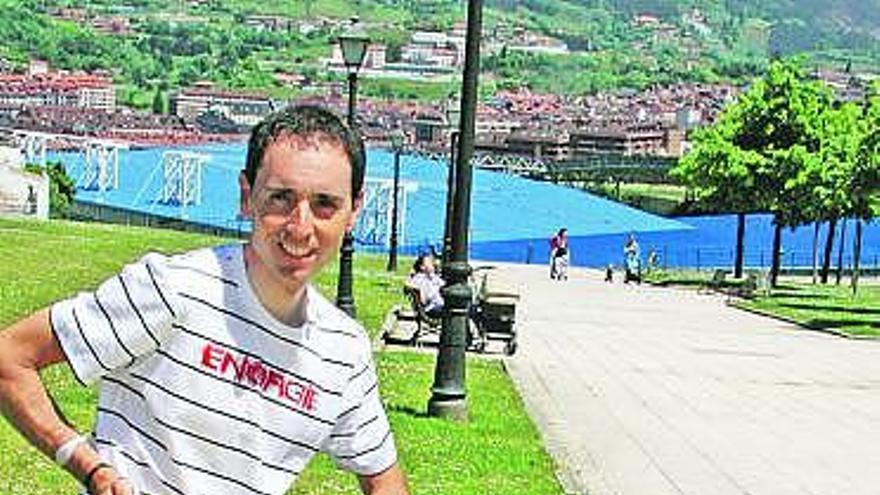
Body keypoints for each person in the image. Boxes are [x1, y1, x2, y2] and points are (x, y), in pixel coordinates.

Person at [0, 106, 409, 495]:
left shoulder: (343, 351)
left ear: (354, 211)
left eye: (324, 204)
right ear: (247, 196)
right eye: (281, 198)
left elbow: (382, 476)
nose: (301, 228)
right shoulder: (173, 289)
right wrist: (87, 465)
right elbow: (11, 358)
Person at [407, 253, 444, 318]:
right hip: (432, 308)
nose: (433, 264)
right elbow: (410, 285)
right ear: (422, 267)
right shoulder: (419, 278)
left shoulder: (432, 277)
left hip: (438, 305)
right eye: (429, 262)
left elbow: (443, 284)